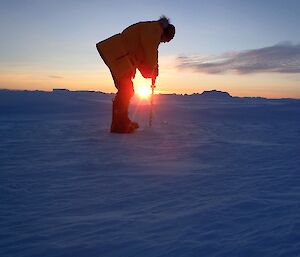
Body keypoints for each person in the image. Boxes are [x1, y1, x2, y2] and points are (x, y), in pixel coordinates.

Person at [96, 16, 175, 133]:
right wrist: (152, 70)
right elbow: (150, 52)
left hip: (120, 55)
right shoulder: (154, 30)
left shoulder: (150, 29)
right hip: (119, 54)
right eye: (164, 40)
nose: (162, 42)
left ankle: (122, 121)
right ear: (165, 33)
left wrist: (152, 72)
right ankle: (119, 125)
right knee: (126, 89)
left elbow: (143, 56)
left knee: (126, 89)